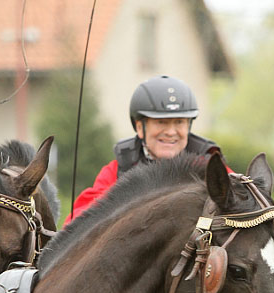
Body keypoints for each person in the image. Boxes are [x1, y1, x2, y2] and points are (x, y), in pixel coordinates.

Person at [66, 75, 221, 223]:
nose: (171, 132)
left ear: (189, 127)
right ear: (140, 127)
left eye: (179, 122)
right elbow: (78, 224)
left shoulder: (211, 167)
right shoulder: (118, 171)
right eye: (161, 122)